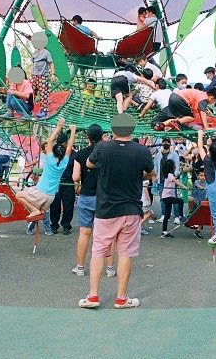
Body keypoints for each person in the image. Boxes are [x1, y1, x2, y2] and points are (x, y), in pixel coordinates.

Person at [78, 114, 155, 309]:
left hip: (106, 210)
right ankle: (121, 298)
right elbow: (151, 173)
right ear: (132, 129)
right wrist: (138, 173)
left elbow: (88, 164)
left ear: (112, 130)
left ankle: (93, 296)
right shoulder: (142, 151)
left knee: (98, 251)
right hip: (130, 209)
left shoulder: (103, 148)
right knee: (125, 253)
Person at [71, 124, 116, 277]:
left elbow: (75, 177)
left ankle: (80, 267)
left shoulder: (81, 154)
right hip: (105, 197)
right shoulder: (108, 153)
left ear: (87, 137)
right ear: (102, 136)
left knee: (84, 233)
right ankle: (110, 268)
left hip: (86, 196)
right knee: (107, 234)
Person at [17, 118, 76, 221]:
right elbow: (70, 146)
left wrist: (58, 127)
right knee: (38, 206)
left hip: (41, 192)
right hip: (50, 197)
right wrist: (73, 131)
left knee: (19, 195)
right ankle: (39, 210)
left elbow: (49, 141)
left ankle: (35, 210)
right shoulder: (64, 163)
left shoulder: (50, 160)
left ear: (53, 152)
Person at [150, 87, 216, 130]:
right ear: (212, 97)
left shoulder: (200, 94)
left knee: (180, 116)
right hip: (180, 99)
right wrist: (206, 127)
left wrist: (206, 123)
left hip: (173, 96)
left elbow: (195, 111)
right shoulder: (204, 99)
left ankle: (162, 124)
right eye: (215, 100)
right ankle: (176, 122)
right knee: (191, 118)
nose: (213, 102)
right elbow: (202, 113)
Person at [50, 145, 76, 235]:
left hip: (68, 182)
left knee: (68, 205)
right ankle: (54, 225)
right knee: (54, 205)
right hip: (57, 182)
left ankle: (66, 225)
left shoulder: (73, 154)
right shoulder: (54, 152)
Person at [154, 141, 182, 223]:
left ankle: (176, 216)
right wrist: (155, 176)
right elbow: (155, 166)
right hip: (161, 179)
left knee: (174, 197)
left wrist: (175, 176)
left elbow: (177, 165)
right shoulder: (158, 155)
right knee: (162, 198)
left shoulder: (174, 154)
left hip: (171, 180)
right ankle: (164, 215)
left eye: (167, 143)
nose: (165, 144)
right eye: (164, 143)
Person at [159, 159, 184, 237]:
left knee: (167, 215)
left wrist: (181, 171)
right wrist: (184, 186)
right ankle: (181, 216)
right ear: (171, 166)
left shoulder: (169, 174)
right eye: (174, 164)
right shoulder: (170, 175)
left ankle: (164, 232)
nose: (175, 165)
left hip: (166, 197)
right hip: (168, 197)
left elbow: (175, 179)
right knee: (181, 201)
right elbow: (176, 181)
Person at [31, 43, 54, 117]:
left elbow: (51, 63)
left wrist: (53, 74)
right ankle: (28, 109)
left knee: (43, 93)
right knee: (31, 93)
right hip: (35, 76)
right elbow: (33, 64)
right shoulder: (34, 53)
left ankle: (43, 111)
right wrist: (31, 75)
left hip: (43, 76)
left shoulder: (46, 53)